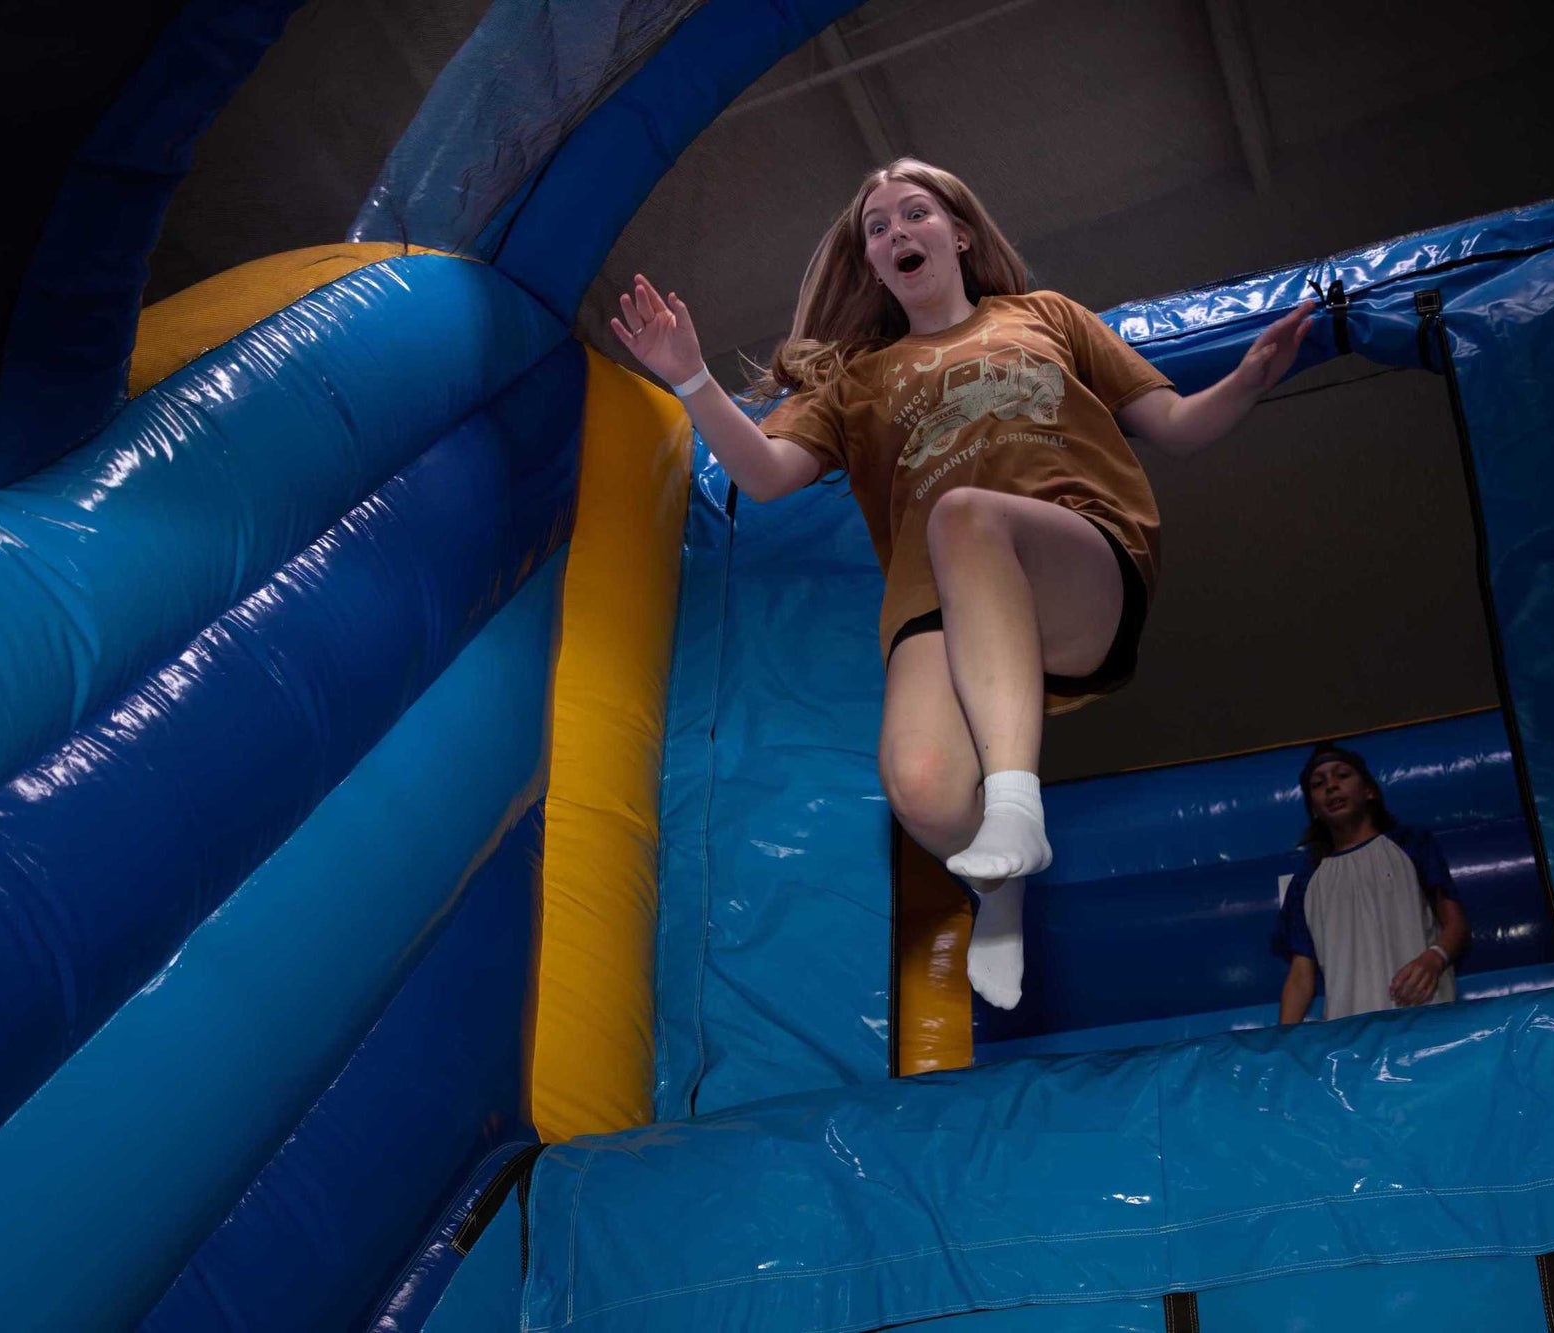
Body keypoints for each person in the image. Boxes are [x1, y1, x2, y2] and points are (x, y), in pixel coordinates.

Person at [610, 158, 1314, 1010]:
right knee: (921, 790)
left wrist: (1243, 382)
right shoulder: (858, 379)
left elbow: (1174, 426)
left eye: (916, 214)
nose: (897, 233)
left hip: (1074, 557)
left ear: (959, 232)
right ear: (870, 263)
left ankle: (1019, 802)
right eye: (878, 228)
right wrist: (690, 376)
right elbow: (761, 475)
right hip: (937, 605)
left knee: (964, 516)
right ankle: (1001, 889)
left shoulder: (1045, 316)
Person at [1274, 744, 1471, 1024]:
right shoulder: (1307, 881)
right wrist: (1284, 1046)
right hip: (1351, 1038)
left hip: (1423, 1020)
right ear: (1314, 810)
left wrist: (1434, 958)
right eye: (1318, 784)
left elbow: (1456, 924)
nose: (1331, 786)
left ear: (1369, 791)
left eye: (1342, 775)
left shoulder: (1412, 845)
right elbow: (1301, 975)